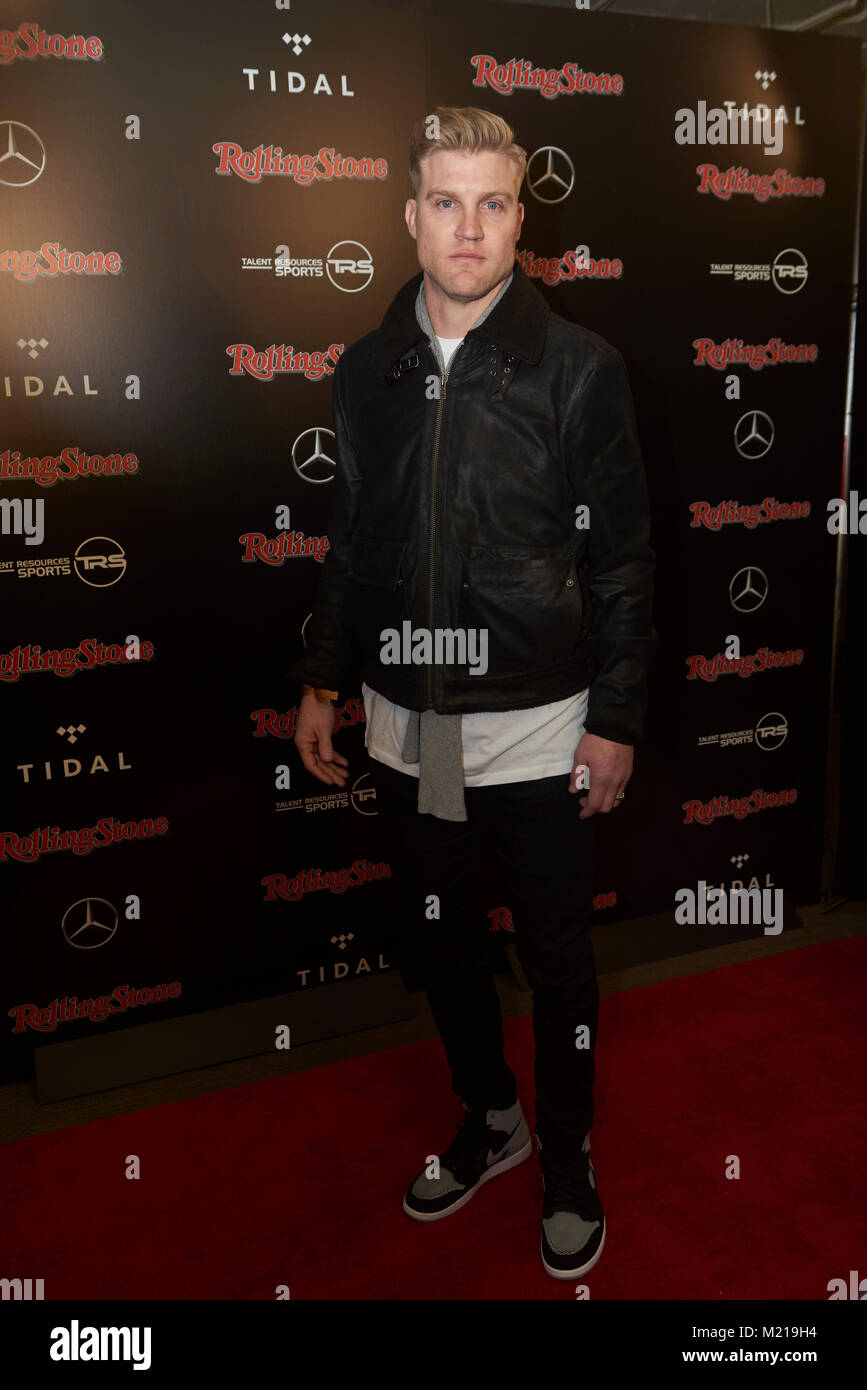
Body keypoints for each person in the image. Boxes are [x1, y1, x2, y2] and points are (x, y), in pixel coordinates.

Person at [290, 105, 656, 1280]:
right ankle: (492, 1117)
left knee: (556, 958)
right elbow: (349, 543)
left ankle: (565, 1154)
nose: (468, 227)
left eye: (492, 203)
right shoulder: (367, 369)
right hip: (409, 728)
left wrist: (616, 718)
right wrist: (321, 682)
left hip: (542, 725)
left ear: (519, 216)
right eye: (445, 202)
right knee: (442, 943)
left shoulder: (580, 367)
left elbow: (627, 564)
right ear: (410, 214)